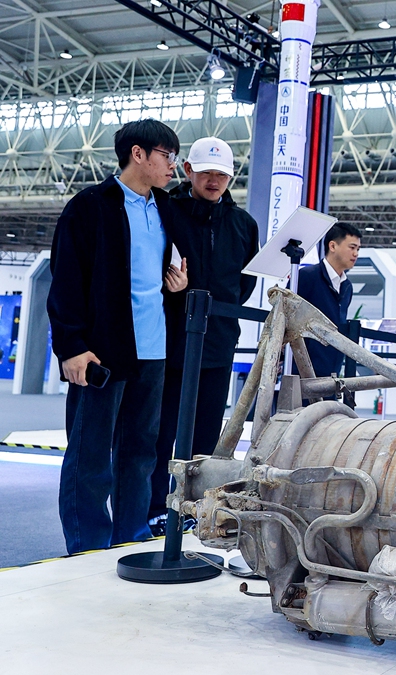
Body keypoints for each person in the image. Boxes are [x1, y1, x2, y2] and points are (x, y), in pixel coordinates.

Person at [47, 119, 188, 554]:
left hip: (155, 349)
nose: (173, 166)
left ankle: (131, 536)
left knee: (142, 453)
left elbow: (166, 271)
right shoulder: (90, 206)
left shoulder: (167, 208)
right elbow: (66, 279)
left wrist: (177, 286)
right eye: (167, 156)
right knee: (90, 456)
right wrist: (70, 346)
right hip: (102, 351)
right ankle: (86, 545)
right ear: (139, 154)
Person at [148, 137, 259, 530]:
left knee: (206, 435)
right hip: (171, 339)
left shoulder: (244, 225)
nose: (215, 181)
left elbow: (243, 284)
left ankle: (193, 512)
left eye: (222, 174)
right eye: (207, 172)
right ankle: (154, 510)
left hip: (218, 340)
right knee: (161, 432)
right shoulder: (166, 210)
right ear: (189, 171)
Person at [297, 222, 360, 378]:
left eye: (358, 249)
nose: (356, 253)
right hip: (304, 371)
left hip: (332, 371)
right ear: (332, 246)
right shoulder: (307, 277)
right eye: (352, 247)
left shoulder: (347, 286)